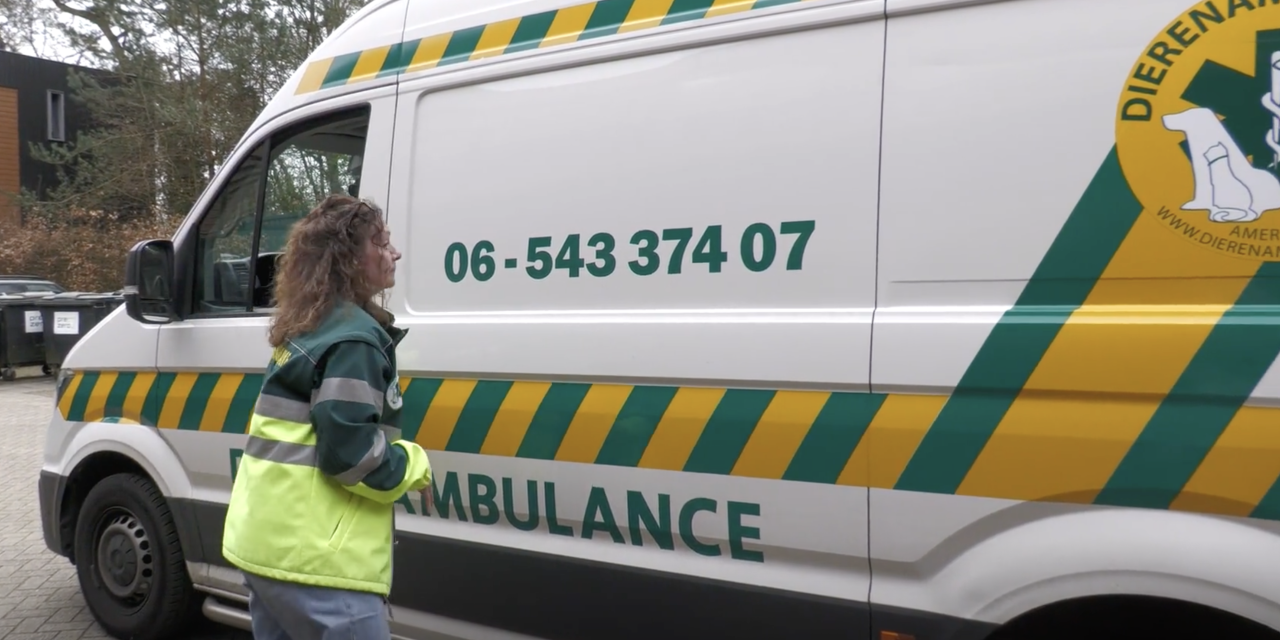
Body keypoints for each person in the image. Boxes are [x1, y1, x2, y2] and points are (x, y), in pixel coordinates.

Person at [222, 194, 433, 640]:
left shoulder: (312, 323)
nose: (394, 252)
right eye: (381, 241)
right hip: (319, 567)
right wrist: (414, 465)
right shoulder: (354, 340)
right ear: (349, 258)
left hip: (265, 551)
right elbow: (352, 458)